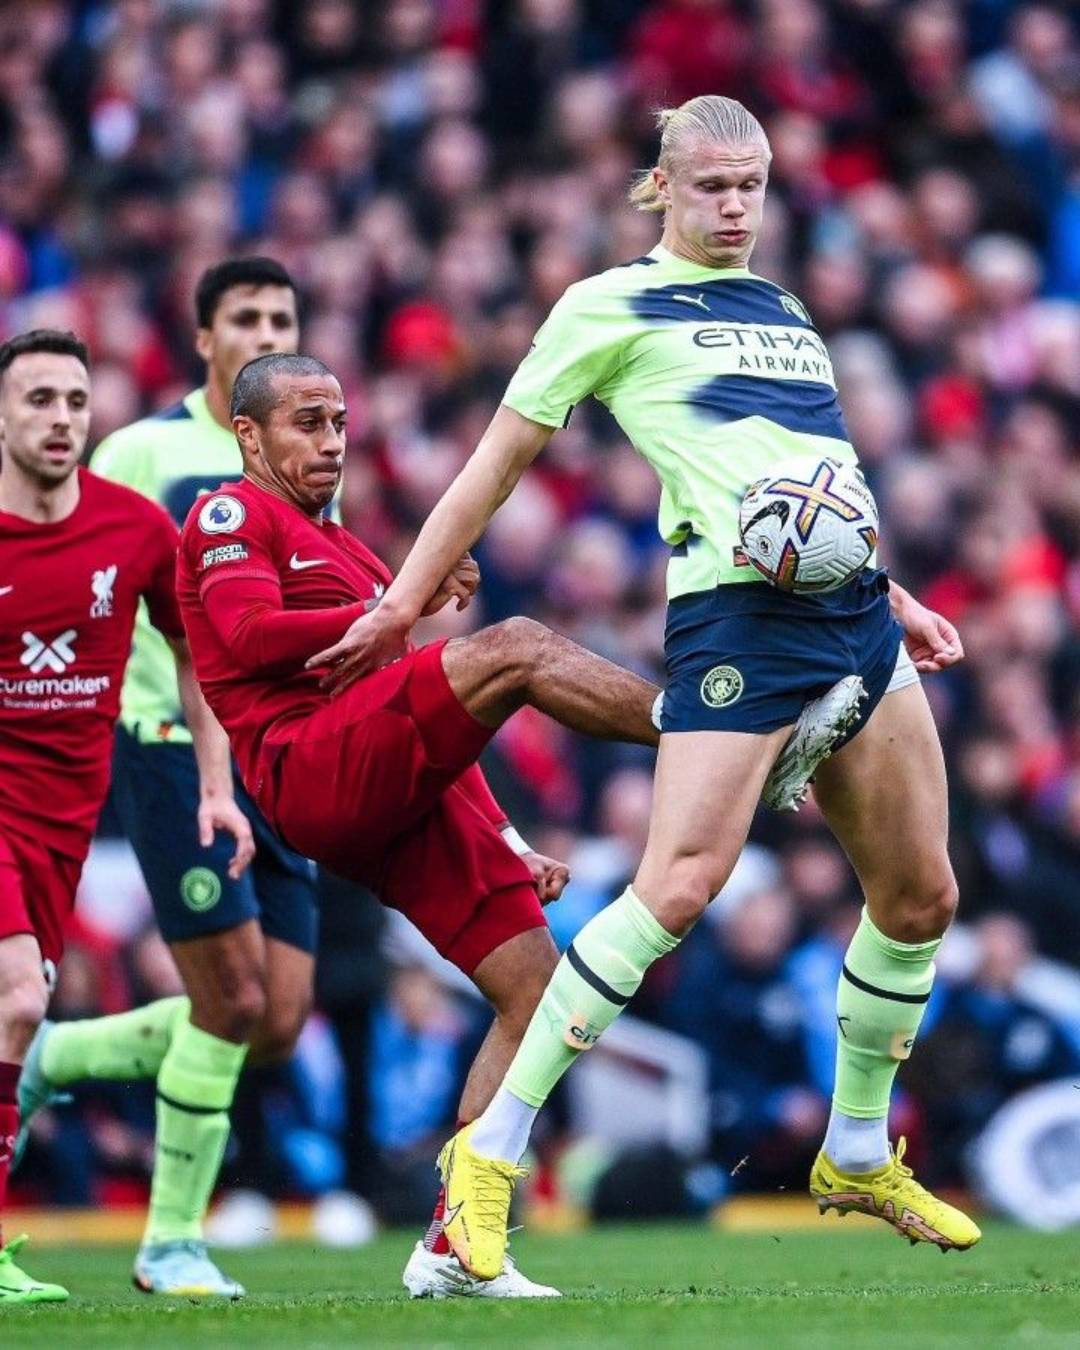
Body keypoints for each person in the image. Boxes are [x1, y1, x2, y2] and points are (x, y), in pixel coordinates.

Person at [311, 95, 982, 1280]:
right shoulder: (606, 305)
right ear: (661, 187)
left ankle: (859, 1148)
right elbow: (491, 466)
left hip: (855, 618)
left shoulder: (781, 309)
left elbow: (816, 472)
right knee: (676, 889)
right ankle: (487, 1161)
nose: (735, 206)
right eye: (713, 185)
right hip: (739, 621)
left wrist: (898, 588)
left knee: (922, 898)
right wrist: (402, 602)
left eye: (753, 185)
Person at [173, 350, 670, 1296]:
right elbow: (240, 637)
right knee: (516, 646)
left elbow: (428, 732)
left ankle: (454, 1245)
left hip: (384, 787)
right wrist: (388, 611)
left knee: (537, 991)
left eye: (338, 421)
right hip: (307, 765)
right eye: (304, 422)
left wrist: (513, 842)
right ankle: (703, 730)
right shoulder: (230, 514)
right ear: (249, 433)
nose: (330, 441)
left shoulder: (355, 553)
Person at [16, 258, 321, 1298]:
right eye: (246, 317)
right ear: (204, 337)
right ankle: (173, 1242)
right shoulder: (142, 452)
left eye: (282, 317)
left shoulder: (300, 453)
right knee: (228, 995)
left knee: (275, 1018)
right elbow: (88, 570)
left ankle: (55, 1056)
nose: (265, 330)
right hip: (165, 742)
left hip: (279, 751)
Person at [0, 329, 253, 1302]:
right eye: (39, 401)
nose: (62, 419)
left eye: (74, 400)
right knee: (20, 999)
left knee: (14, 1015)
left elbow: (198, 656)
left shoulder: (137, 531)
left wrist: (217, 785)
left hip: (63, 821)